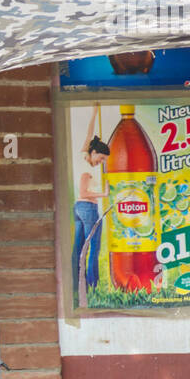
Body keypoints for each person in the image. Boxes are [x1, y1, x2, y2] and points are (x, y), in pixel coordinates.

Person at [74, 108, 110, 293]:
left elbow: (89, 133)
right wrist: (103, 195)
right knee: (93, 248)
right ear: (94, 152)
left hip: (78, 208)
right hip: (88, 209)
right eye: (101, 158)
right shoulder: (86, 168)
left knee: (79, 249)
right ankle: (92, 286)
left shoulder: (83, 154)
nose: (101, 162)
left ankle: (77, 286)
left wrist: (94, 113)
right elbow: (84, 192)